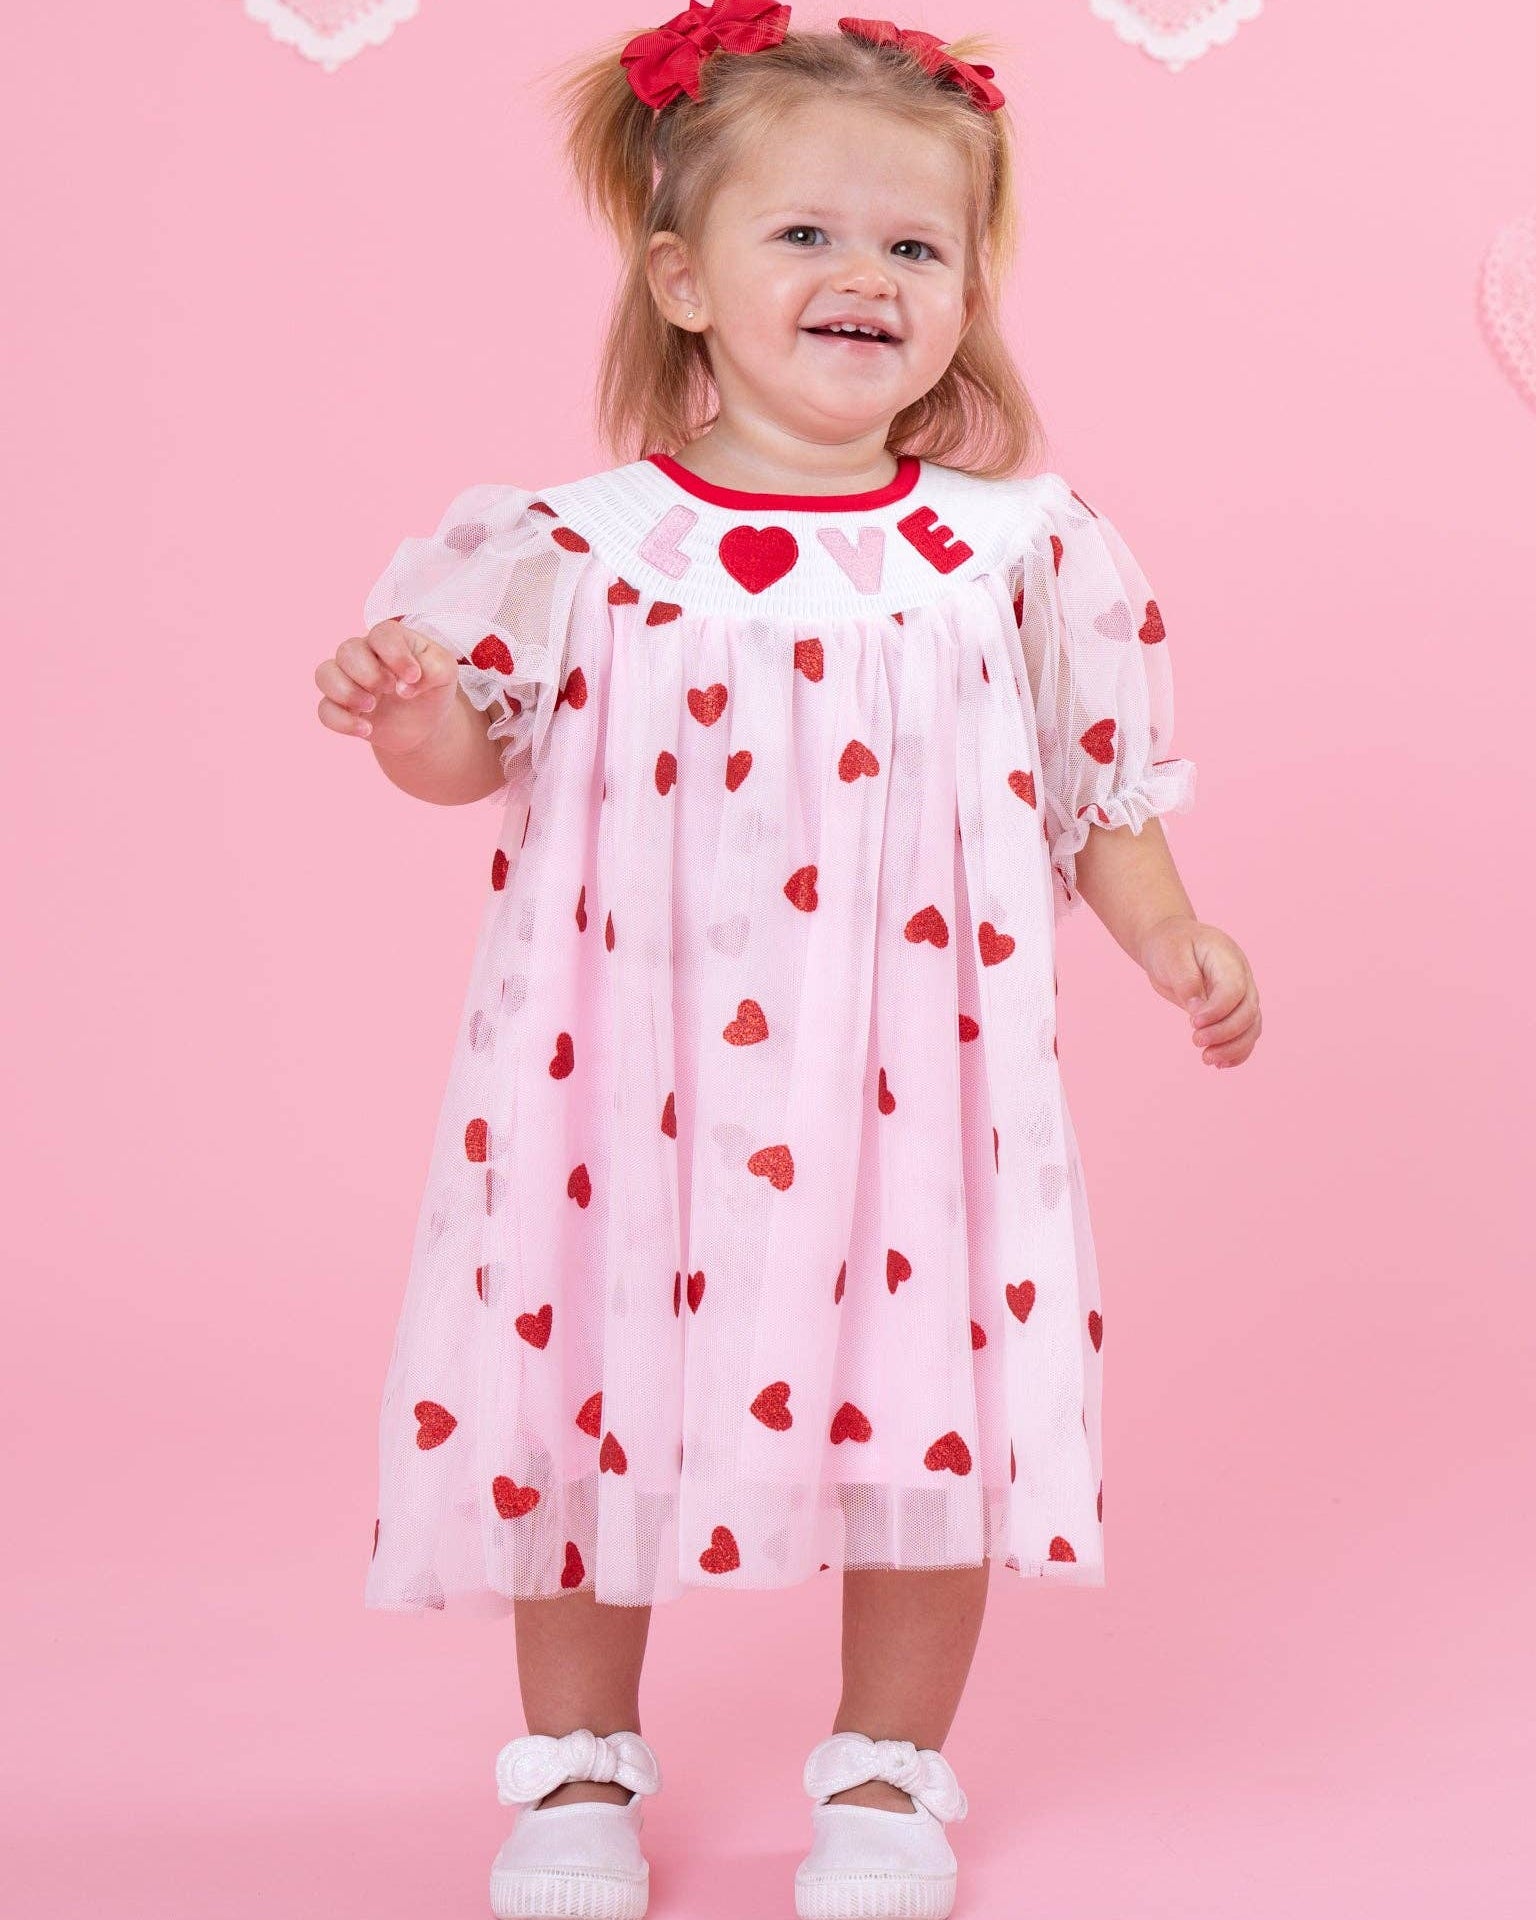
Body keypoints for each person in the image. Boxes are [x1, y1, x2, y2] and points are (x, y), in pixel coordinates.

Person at [315, 7, 1261, 1916]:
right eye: (807, 236)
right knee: (587, 1390)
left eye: (916, 245)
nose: (866, 277)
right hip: (624, 1081)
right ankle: (576, 1768)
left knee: (929, 1400)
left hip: (913, 1079)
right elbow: (469, 761)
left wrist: (1175, 934)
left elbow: (1095, 787)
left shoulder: (1010, 550)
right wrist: (408, 712)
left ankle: (890, 1776)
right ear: (683, 279)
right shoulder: (581, 549)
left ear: (969, 290)